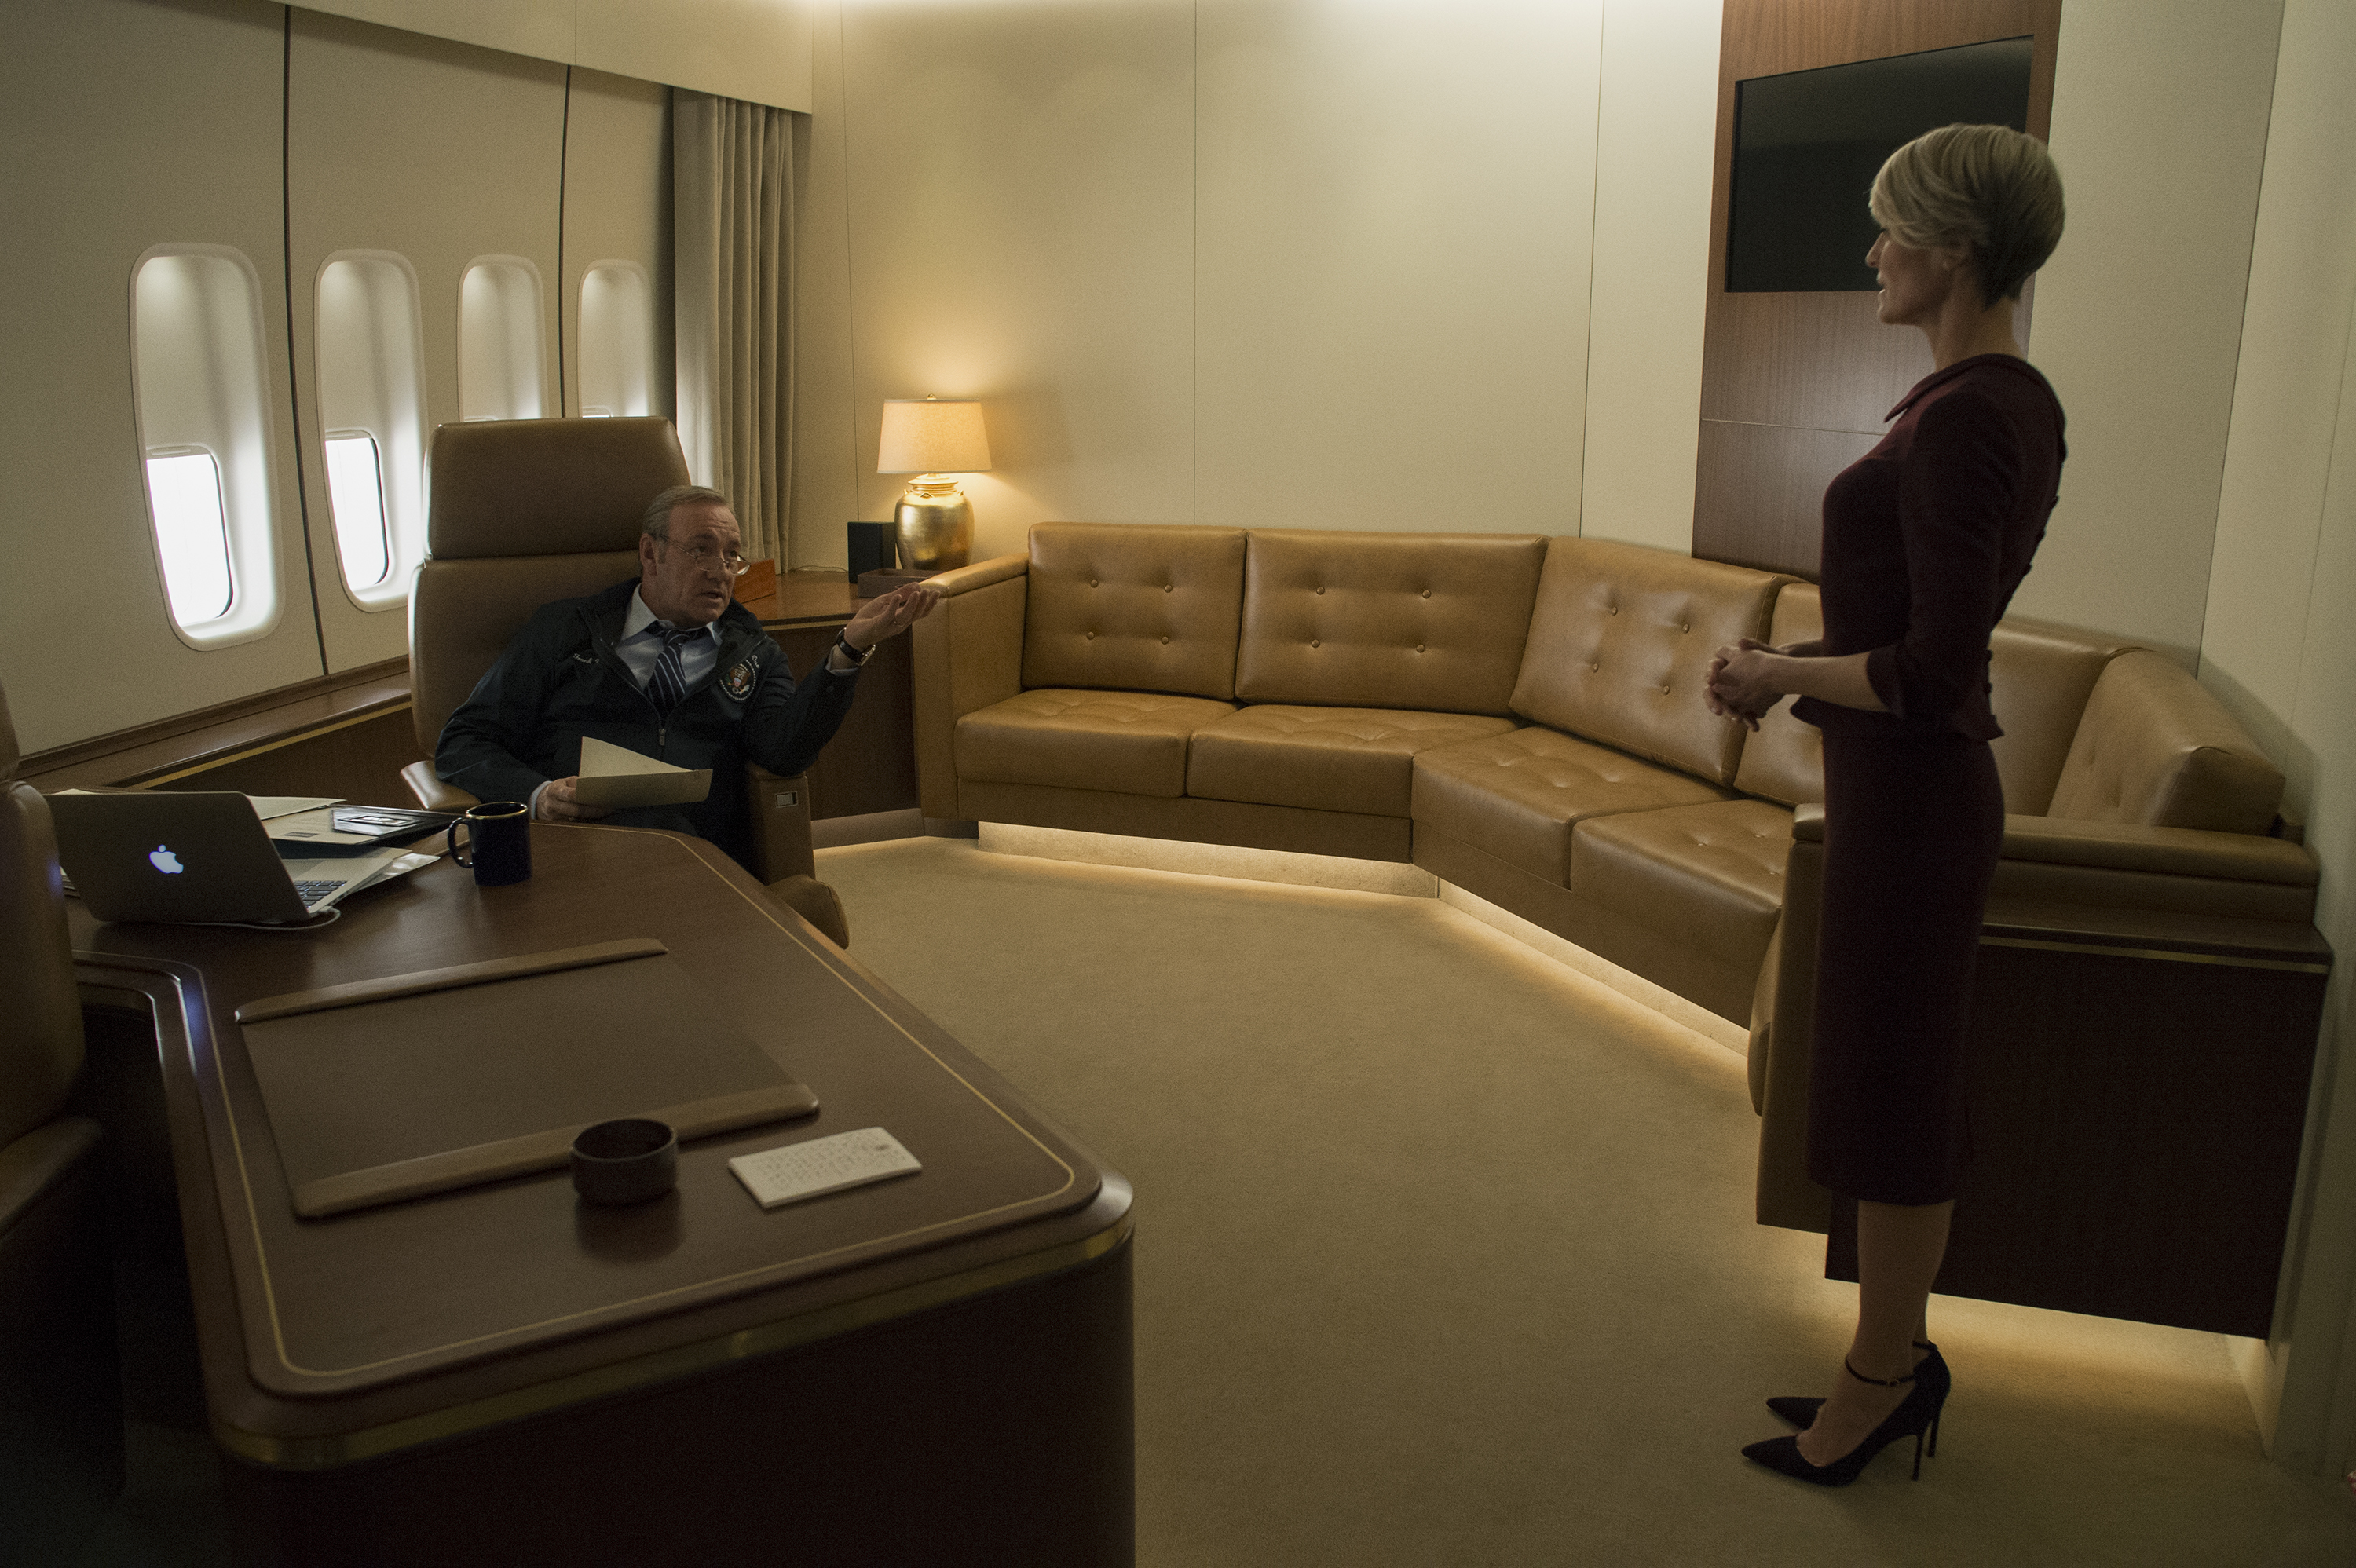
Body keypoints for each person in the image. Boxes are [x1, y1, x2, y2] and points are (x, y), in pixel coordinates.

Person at [1704, 123, 2068, 1486]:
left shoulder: (1970, 413)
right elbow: (1918, 640)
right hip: (1900, 798)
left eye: (1889, 228)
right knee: (1878, 1087)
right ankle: (1889, 1354)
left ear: (1954, 248)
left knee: (1899, 1102)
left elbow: (1933, 672)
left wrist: (1773, 671)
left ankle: (1881, 1382)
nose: (1871, 252)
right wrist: (1792, 664)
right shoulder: (1992, 400)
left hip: (1914, 810)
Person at [435, 484, 936, 874]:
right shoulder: (563, 630)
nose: (721, 570)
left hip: (696, 851)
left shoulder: (754, 654)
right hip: (574, 845)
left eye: (732, 555)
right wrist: (539, 795)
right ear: (650, 554)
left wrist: (849, 649)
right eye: (701, 550)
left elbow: (783, 752)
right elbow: (465, 741)